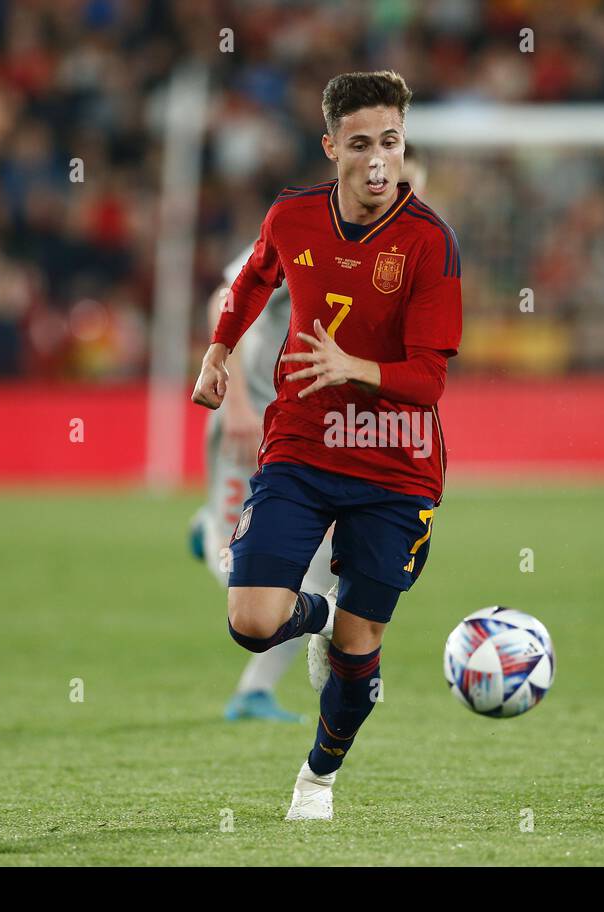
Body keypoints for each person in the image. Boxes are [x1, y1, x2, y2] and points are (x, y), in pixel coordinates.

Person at [191, 70, 461, 820]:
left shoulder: (431, 242)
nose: (380, 160)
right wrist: (220, 351)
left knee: (357, 646)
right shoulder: (293, 218)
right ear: (332, 146)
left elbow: (430, 381)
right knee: (251, 621)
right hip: (303, 450)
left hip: (396, 466)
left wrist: (356, 368)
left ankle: (317, 778)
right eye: (364, 143)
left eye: (393, 142)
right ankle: (314, 611)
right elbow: (249, 282)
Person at [192, 146, 431, 724]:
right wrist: (242, 406)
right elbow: (224, 302)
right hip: (253, 423)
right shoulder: (308, 231)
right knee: (240, 573)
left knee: (321, 573)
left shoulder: (400, 249)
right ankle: (206, 533)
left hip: (318, 434)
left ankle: (254, 690)